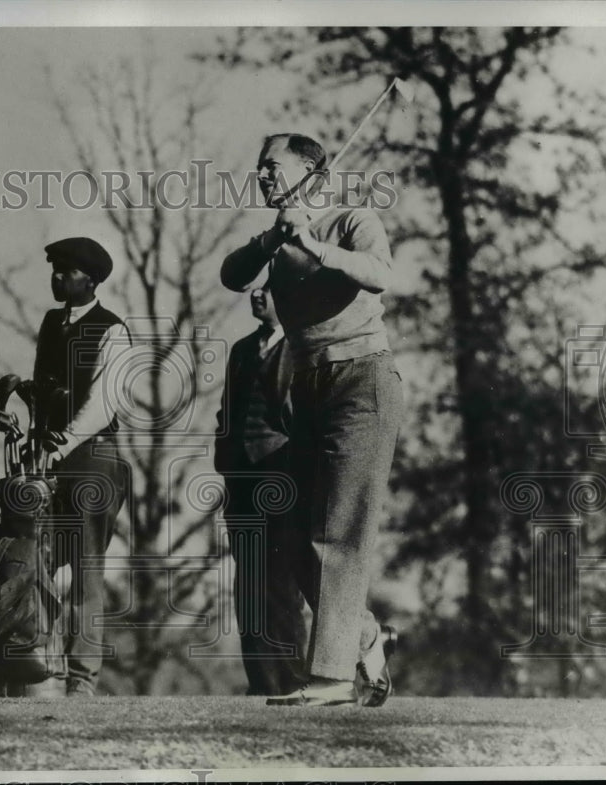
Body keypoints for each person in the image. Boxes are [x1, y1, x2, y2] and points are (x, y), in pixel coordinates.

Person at [221, 133, 401, 707]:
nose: (262, 175)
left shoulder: (352, 217)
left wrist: (313, 244)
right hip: (309, 386)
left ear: (311, 170)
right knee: (294, 532)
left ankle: (330, 679)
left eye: (272, 166)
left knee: (339, 529)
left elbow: (378, 273)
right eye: (259, 167)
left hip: (362, 380)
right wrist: (279, 235)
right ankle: (366, 636)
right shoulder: (276, 238)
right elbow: (232, 273)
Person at [29, 237, 130, 697]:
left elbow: (101, 402)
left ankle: (82, 678)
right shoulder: (51, 323)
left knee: (87, 567)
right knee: (34, 560)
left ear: (91, 280)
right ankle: (32, 669)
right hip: (49, 461)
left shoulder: (113, 329)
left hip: (93, 460)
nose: (57, 279)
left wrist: (62, 441)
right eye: (54, 270)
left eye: (66, 272)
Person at [214, 285, 306, 696]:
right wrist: (227, 458)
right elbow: (227, 411)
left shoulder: (306, 345)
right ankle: (261, 684)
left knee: (283, 582)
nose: (258, 294)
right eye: (255, 287)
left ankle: (291, 681)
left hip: (285, 475)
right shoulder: (241, 349)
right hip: (243, 481)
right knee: (248, 584)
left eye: (269, 287)